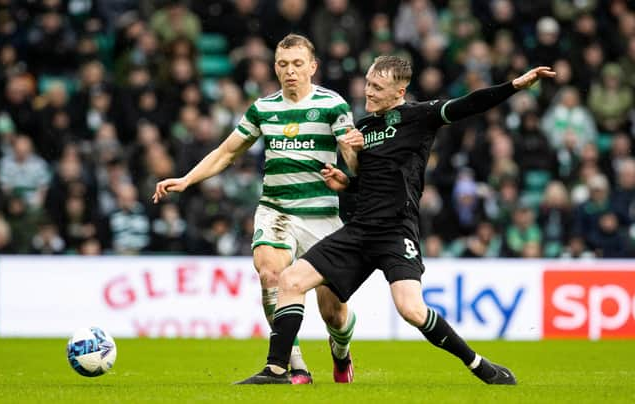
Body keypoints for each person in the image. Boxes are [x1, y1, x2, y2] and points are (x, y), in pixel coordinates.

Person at [236, 56, 555, 385]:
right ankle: (276, 370)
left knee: (411, 310)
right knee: (289, 281)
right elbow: (371, 181)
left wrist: (515, 85)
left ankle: (479, 365)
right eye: (367, 83)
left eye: (377, 87)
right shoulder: (363, 128)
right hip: (359, 231)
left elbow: (469, 104)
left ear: (399, 91)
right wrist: (345, 181)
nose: (368, 92)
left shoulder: (420, 116)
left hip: (396, 231)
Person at [152, 34, 364, 384]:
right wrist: (187, 179)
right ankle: (293, 367)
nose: (290, 71)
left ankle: (341, 355)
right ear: (275, 68)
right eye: (283, 65)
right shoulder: (263, 108)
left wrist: (353, 155)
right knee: (270, 274)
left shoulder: (333, 105)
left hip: (321, 216)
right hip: (276, 211)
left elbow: (354, 163)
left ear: (312, 66)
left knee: (334, 312)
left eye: (297, 64)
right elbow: (226, 152)